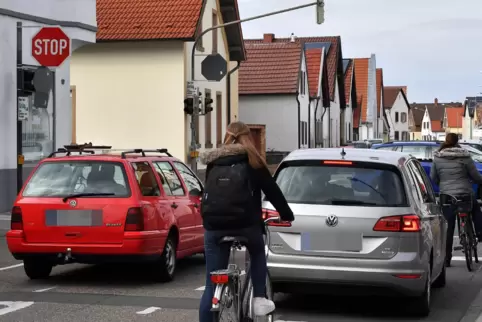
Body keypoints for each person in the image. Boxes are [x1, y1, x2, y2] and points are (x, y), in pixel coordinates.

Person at [198, 121, 294, 322]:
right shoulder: (253, 161)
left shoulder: (214, 162)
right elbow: (273, 192)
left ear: (227, 136)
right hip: (247, 225)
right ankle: (259, 298)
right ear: (247, 137)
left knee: (211, 284)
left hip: (214, 226)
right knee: (258, 252)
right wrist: (286, 214)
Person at [430, 133, 482, 267]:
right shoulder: (465, 156)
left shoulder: (437, 157)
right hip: (465, 193)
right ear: (457, 141)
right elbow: (475, 176)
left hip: (447, 196)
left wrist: (442, 184)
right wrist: (477, 181)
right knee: (476, 208)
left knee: (448, 227)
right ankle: (480, 234)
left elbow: (433, 177)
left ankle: (447, 259)